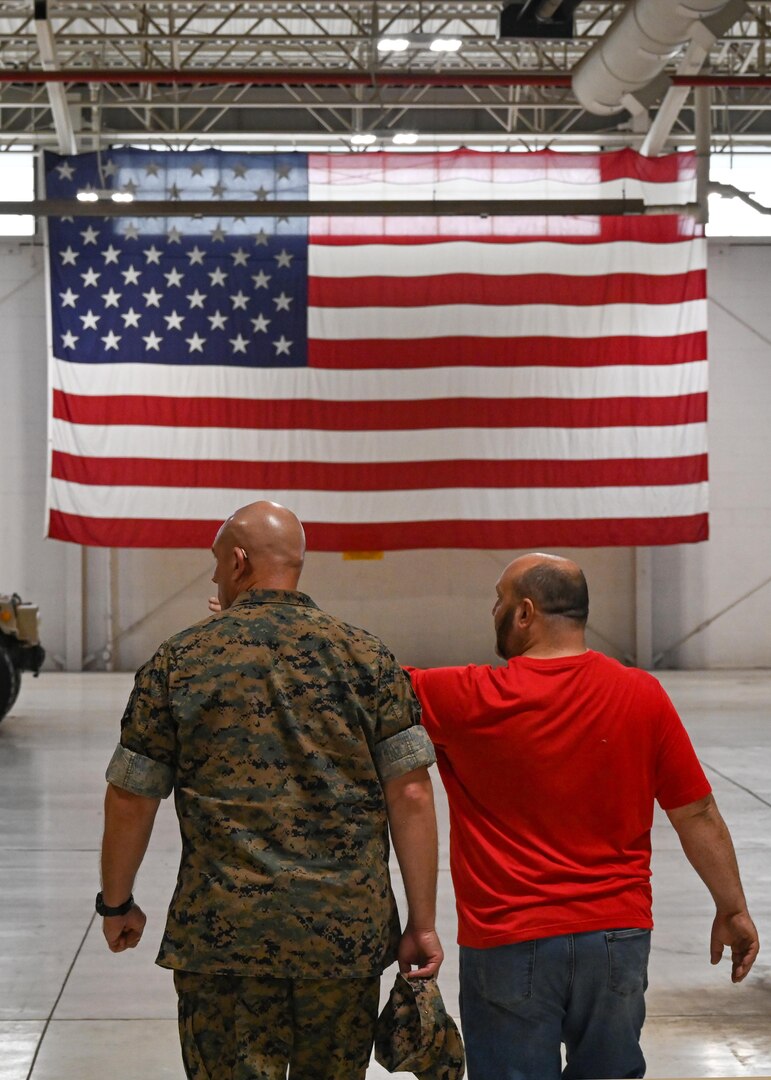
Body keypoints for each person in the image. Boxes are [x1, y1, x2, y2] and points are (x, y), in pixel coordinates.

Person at [98, 500, 443, 1080]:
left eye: (215, 564)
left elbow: (132, 796)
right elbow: (411, 794)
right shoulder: (368, 658)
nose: (213, 577)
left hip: (223, 938)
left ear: (237, 561)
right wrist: (423, 922)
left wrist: (116, 902)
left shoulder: (180, 661)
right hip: (341, 941)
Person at [406, 552, 759, 1080]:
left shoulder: (464, 695)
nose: (493, 611)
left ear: (525, 613)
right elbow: (697, 811)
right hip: (616, 940)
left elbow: (360, 683)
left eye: (498, 601)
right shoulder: (643, 695)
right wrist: (732, 907)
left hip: (508, 940)